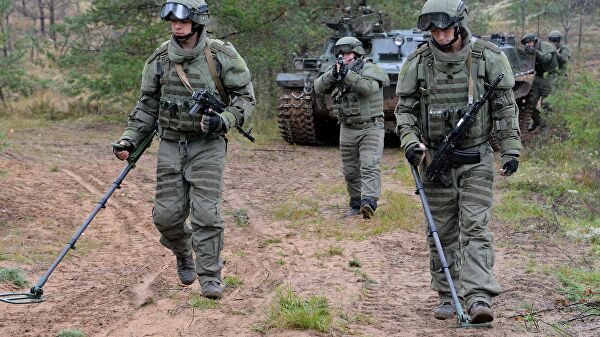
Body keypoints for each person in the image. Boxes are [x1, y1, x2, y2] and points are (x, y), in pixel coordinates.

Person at [113, 0, 255, 299]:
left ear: (198, 22)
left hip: (207, 146)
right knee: (165, 217)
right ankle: (182, 250)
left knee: (207, 214)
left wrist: (223, 120)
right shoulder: (161, 58)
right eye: (172, 21)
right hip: (170, 143)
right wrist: (129, 138)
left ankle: (211, 277)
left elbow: (246, 99)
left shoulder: (220, 55)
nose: (176, 26)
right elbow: (147, 105)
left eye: (183, 21)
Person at [395, 0, 522, 323]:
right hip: (434, 159)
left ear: (459, 24)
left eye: (445, 28)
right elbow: (405, 111)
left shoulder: (487, 58)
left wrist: (511, 148)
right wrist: (410, 143)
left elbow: (505, 109)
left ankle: (478, 296)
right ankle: (446, 293)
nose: (439, 35)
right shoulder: (418, 63)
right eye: (434, 30)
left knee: (475, 227)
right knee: (441, 230)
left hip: (476, 157)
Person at [314, 37, 390, 219]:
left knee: (369, 165)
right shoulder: (336, 70)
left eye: (347, 53)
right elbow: (318, 87)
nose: (344, 57)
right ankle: (356, 203)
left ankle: (369, 202)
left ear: (357, 53)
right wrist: (333, 74)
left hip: (371, 126)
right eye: (340, 54)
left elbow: (368, 87)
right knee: (350, 170)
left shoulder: (370, 68)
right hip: (347, 128)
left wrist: (347, 74)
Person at [521, 33, 558, 131]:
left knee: (547, 104)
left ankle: (544, 127)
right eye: (526, 44)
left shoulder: (546, 46)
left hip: (549, 77)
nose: (528, 45)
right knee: (530, 103)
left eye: (529, 42)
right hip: (538, 76)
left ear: (534, 41)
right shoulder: (530, 50)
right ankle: (538, 121)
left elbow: (546, 59)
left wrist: (535, 52)